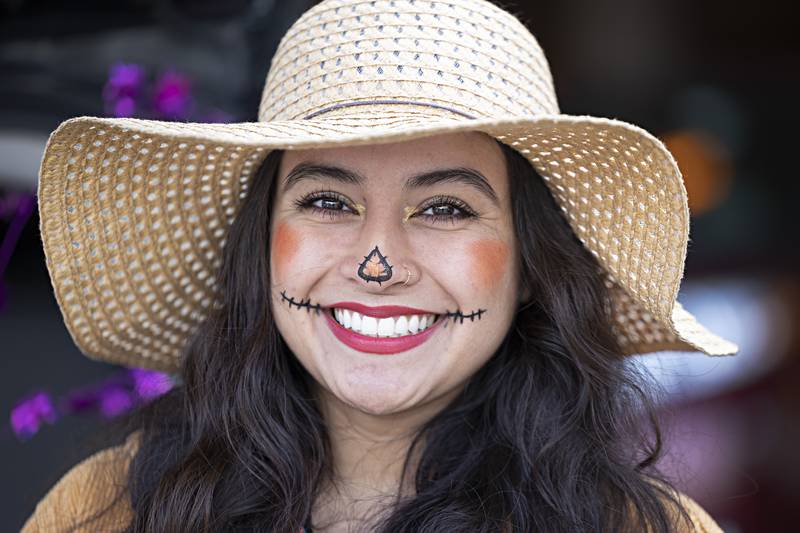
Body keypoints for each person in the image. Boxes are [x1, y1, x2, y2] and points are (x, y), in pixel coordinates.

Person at [23, 0, 738, 531]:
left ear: (529, 265)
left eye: (446, 208)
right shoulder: (103, 510)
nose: (378, 263)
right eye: (329, 200)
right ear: (260, 247)